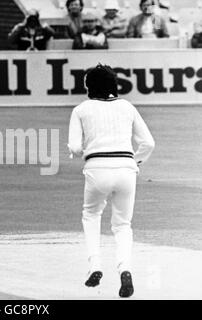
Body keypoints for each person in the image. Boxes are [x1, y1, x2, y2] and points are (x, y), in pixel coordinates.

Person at [67, 64, 155, 298]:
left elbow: (75, 147)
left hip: (96, 168)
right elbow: (148, 143)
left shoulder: (81, 109)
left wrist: (80, 149)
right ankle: (125, 269)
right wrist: (135, 162)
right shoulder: (127, 106)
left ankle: (95, 265)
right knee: (122, 225)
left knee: (91, 215)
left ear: (89, 86)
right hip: (126, 169)